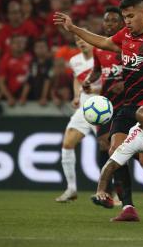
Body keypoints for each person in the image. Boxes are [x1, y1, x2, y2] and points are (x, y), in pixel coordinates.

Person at [54, 0, 143, 221]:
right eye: (124, 17)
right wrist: (74, 29)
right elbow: (103, 42)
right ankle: (128, 208)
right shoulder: (126, 35)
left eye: (130, 16)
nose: (127, 21)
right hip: (128, 107)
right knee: (115, 152)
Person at [55, 36, 98, 202]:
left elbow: (110, 81)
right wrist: (76, 95)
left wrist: (94, 89)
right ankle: (71, 189)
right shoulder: (74, 60)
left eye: (84, 40)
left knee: (110, 149)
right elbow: (76, 78)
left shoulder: (100, 57)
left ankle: (115, 193)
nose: (81, 42)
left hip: (100, 108)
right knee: (67, 144)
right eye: (77, 40)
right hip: (84, 107)